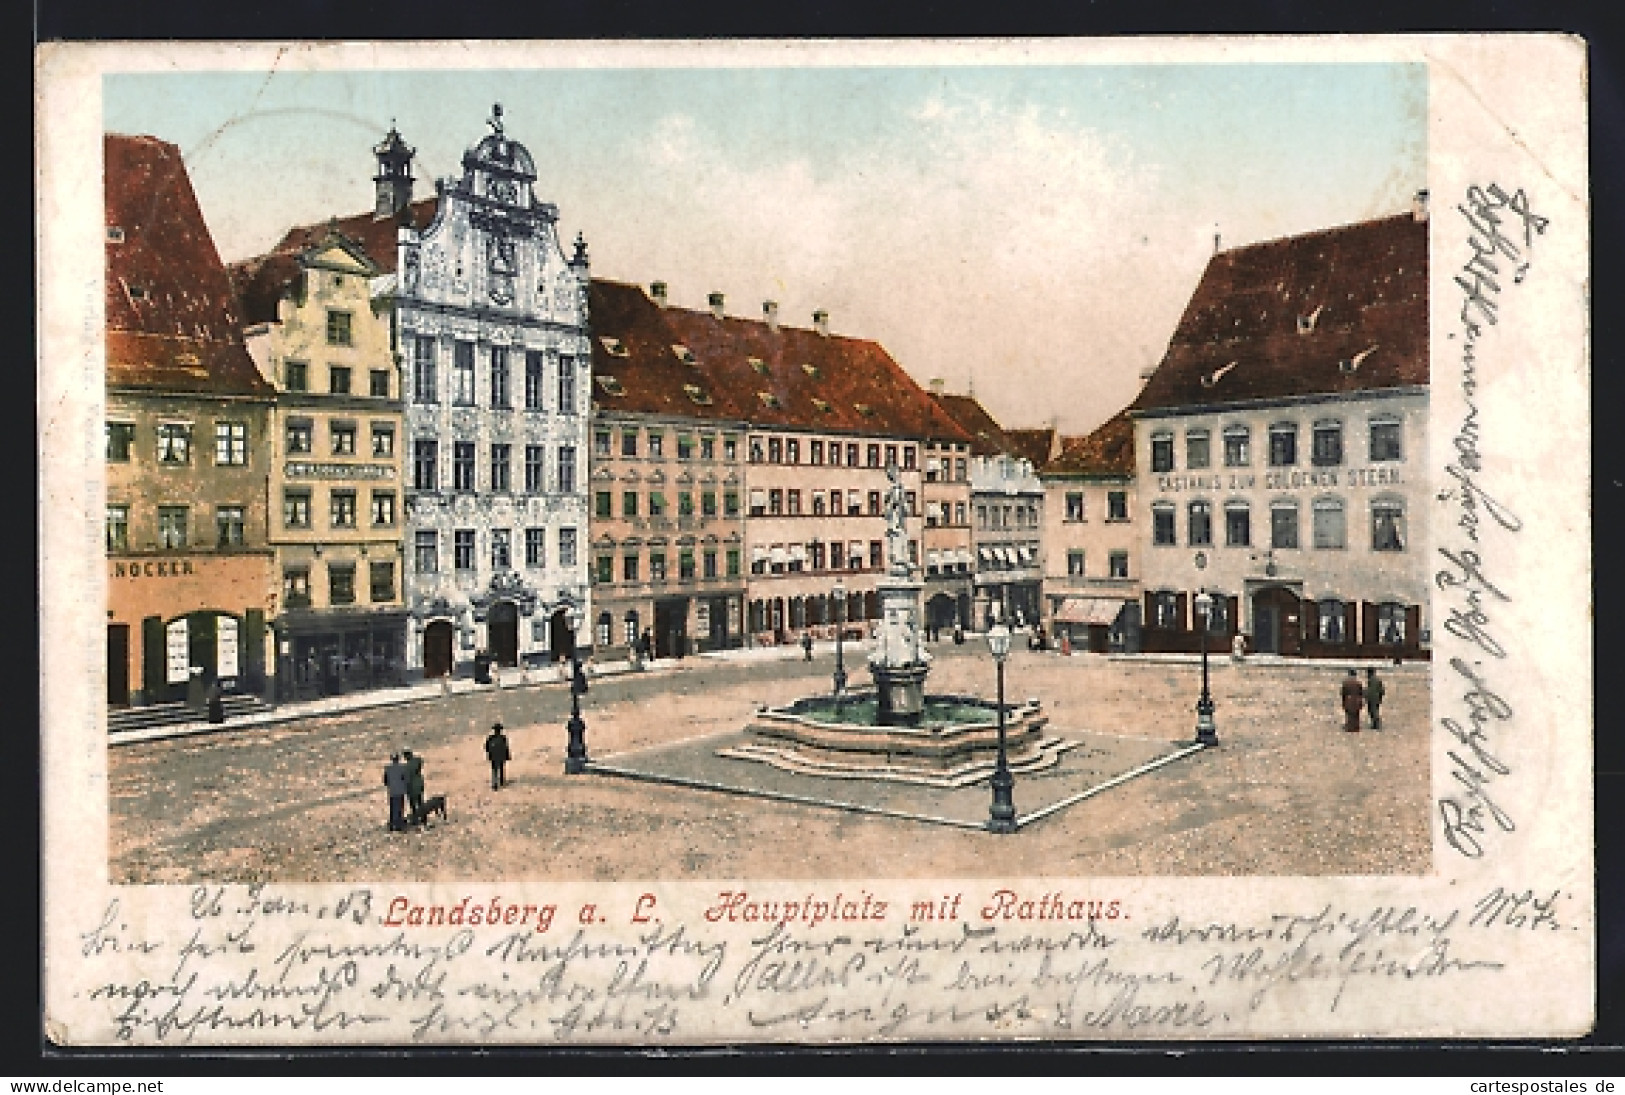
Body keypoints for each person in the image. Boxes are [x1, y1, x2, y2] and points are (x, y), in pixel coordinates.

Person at [382, 753, 410, 832]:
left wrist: (390, 785)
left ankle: (392, 824)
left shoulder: (388, 768)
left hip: (392, 791)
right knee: (400, 808)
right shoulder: (402, 768)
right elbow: (406, 779)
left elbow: (385, 781)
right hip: (400, 790)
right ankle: (398, 824)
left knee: (392, 807)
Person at [485, 722, 512, 790]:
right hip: (500, 756)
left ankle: (495, 784)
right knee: (501, 769)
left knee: (495, 770)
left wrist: (489, 754)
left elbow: (487, 747)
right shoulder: (503, 738)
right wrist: (507, 755)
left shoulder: (491, 738)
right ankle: (501, 782)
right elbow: (506, 747)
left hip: (494, 756)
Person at [403, 749, 425, 821]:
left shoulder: (406, 766)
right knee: (420, 802)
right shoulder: (417, 760)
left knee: (413, 804)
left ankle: (416, 818)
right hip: (419, 783)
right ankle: (423, 817)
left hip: (412, 786)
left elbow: (406, 778)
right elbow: (420, 764)